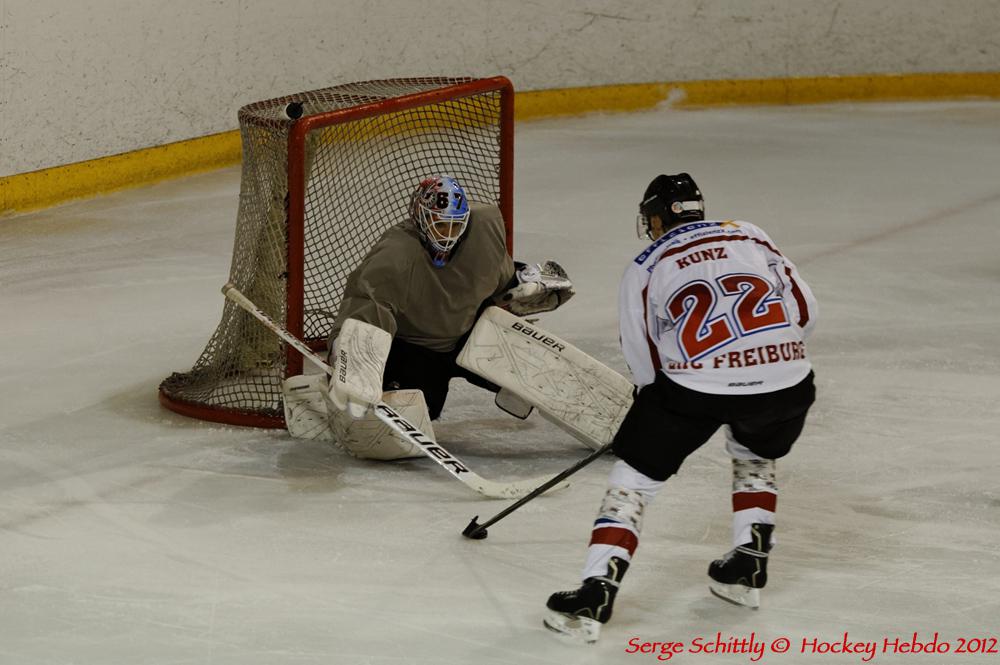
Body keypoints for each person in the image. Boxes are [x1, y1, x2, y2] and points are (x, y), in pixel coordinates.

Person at [543, 173, 818, 644]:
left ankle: (597, 590)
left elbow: (643, 358)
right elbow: (805, 310)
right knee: (755, 452)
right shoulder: (750, 233)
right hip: (787, 381)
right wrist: (769, 363)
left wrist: (659, 414)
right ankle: (748, 563)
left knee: (634, 478)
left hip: (695, 387)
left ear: (654, 218)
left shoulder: (646, 263)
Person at [281, 175, 574, 460]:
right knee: (424, 410)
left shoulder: (482, 235)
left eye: (453, 226)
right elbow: (366, 307)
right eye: (440, 224)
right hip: (415, 349)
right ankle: (327, 396)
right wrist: (351, 360)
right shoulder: (396, 254)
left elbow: (495, 280)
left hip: (466, 338)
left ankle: (590, 411)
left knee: (533, 378)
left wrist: (520, 284)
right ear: (420, 218)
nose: (447, 234)